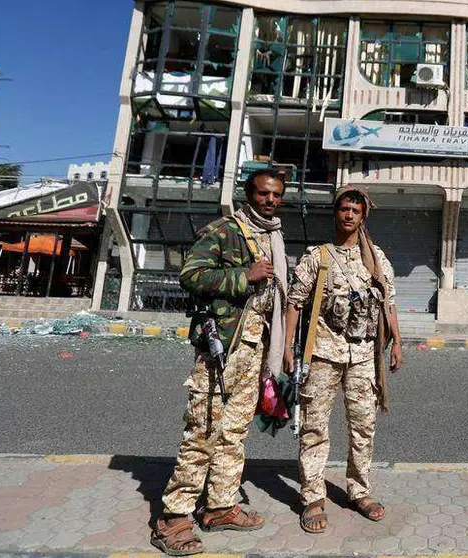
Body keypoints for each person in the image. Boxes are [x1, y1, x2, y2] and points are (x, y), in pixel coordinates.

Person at [150, 170, 288, 556]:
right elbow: (190, 275)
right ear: (249, 194)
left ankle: (220, 506)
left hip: (254, 348)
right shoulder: (226, 230)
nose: (270, 200)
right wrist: (245, 275)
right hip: (222, 346)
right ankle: (174, 517)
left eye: (276, 195)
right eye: (263, 193)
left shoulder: (273, 235)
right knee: (203, 429)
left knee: (234, 432)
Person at [284, 186, 403, 534]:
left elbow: (388, 303)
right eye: (344, 209)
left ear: (363, 216)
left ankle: (359, 491)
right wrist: (289, 348)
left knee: (363, 426)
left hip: (364, 354)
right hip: (322, 353)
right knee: (314, 427)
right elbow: (295, 303)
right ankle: (312, 497)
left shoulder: (376, 259)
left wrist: (397, 343)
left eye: (355, 210)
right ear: (335, 213)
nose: (349, 215)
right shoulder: (317, 257)